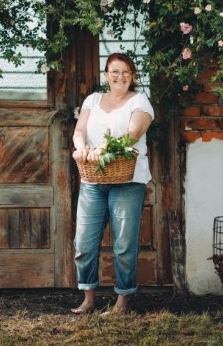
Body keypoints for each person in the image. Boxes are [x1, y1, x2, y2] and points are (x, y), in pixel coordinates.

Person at [70, 52, 154, 315]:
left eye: (126, 72)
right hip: (92, 179)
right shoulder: (93, 100)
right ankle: (88, 298)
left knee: (124, 244)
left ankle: (122, 301)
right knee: (84, 242)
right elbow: (80, 131)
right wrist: (82, 148)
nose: (120, 77)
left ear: (133, 76)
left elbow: (131, 134)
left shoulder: (140, 101)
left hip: (128, 180)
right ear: (106, 75)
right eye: (114, 71)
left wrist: (103, 149)